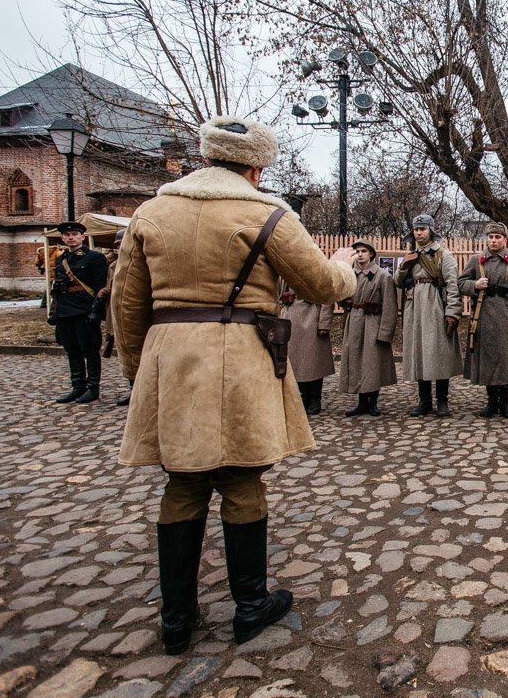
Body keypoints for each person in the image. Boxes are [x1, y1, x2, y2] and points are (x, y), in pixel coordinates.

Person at [112, 115, 357, 655]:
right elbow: (319, 283)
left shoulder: (151, 212)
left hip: (172, 358)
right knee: (243, 481)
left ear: (206, 155)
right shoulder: (266, 212)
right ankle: (250, 606)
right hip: (242, 355)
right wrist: (344, 265)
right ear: (256, 165)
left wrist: (140, 373)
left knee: (183, 482)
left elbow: (127, 305)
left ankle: (176, 618)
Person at [458, 222, 508, 418]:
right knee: (488, 359)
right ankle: (491, 401)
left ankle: (504, 401)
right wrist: (475, 284)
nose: (494, 240)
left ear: (505, 239)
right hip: (484, 317)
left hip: (507, 317)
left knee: (505, 360)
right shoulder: (476, 260)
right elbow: (461, 283)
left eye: (498, 237)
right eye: (490, 237)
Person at [398, 214, 463, 417]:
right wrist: (403, 267)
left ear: (431, 231)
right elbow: (398, 282)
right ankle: (424, 400)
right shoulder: (410, 255)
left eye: (423, 229)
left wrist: (452, 312)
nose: (419, 233)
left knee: (440, 353)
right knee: (419, 352)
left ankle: (442, 401)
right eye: (416, 230)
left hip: (436, 305)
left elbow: (453, 285)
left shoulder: (443, 255)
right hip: (415, 306)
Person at [50, 220, 109, 404]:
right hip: (65, 310)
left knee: (90, 350)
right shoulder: (62, 259)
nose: (70, 238)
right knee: (72, 351)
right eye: (67, 235)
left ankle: (93, 388)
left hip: (84, 310)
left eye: (74, 234)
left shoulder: (95, 258)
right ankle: (78, 387)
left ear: (83, 237)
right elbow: (57, 290)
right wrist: (55, 312)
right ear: (62, 238)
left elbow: (101, 287)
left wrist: (95, 312)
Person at [339, 239, 397, 417]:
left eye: (364, 251)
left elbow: (390, 306)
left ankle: (373, 403)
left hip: (373, 322)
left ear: (371, 254)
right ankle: (361, 402)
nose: (360, 254)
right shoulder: (349, 274)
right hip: (354, 321)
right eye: (357, 251)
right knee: (356, 361)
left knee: (372, 363)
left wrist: (386, 331)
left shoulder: (382, 276)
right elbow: (340, 295)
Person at [281, 290, 335, 415]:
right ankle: (303, 398)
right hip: (291, 316)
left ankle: (315, 399)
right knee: (295, 362)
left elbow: (328, 295)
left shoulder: (321, 270)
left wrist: (324, 323)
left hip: (311, 316)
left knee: (313, 361)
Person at [101, 228, 133, 407]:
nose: (121, 248)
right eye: (118, 245)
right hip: (116, 312)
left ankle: (138, 390)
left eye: (123, 244)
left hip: (133, 312)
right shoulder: (113, 265)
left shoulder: (139, 260)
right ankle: (132, 388)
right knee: (124, 352)